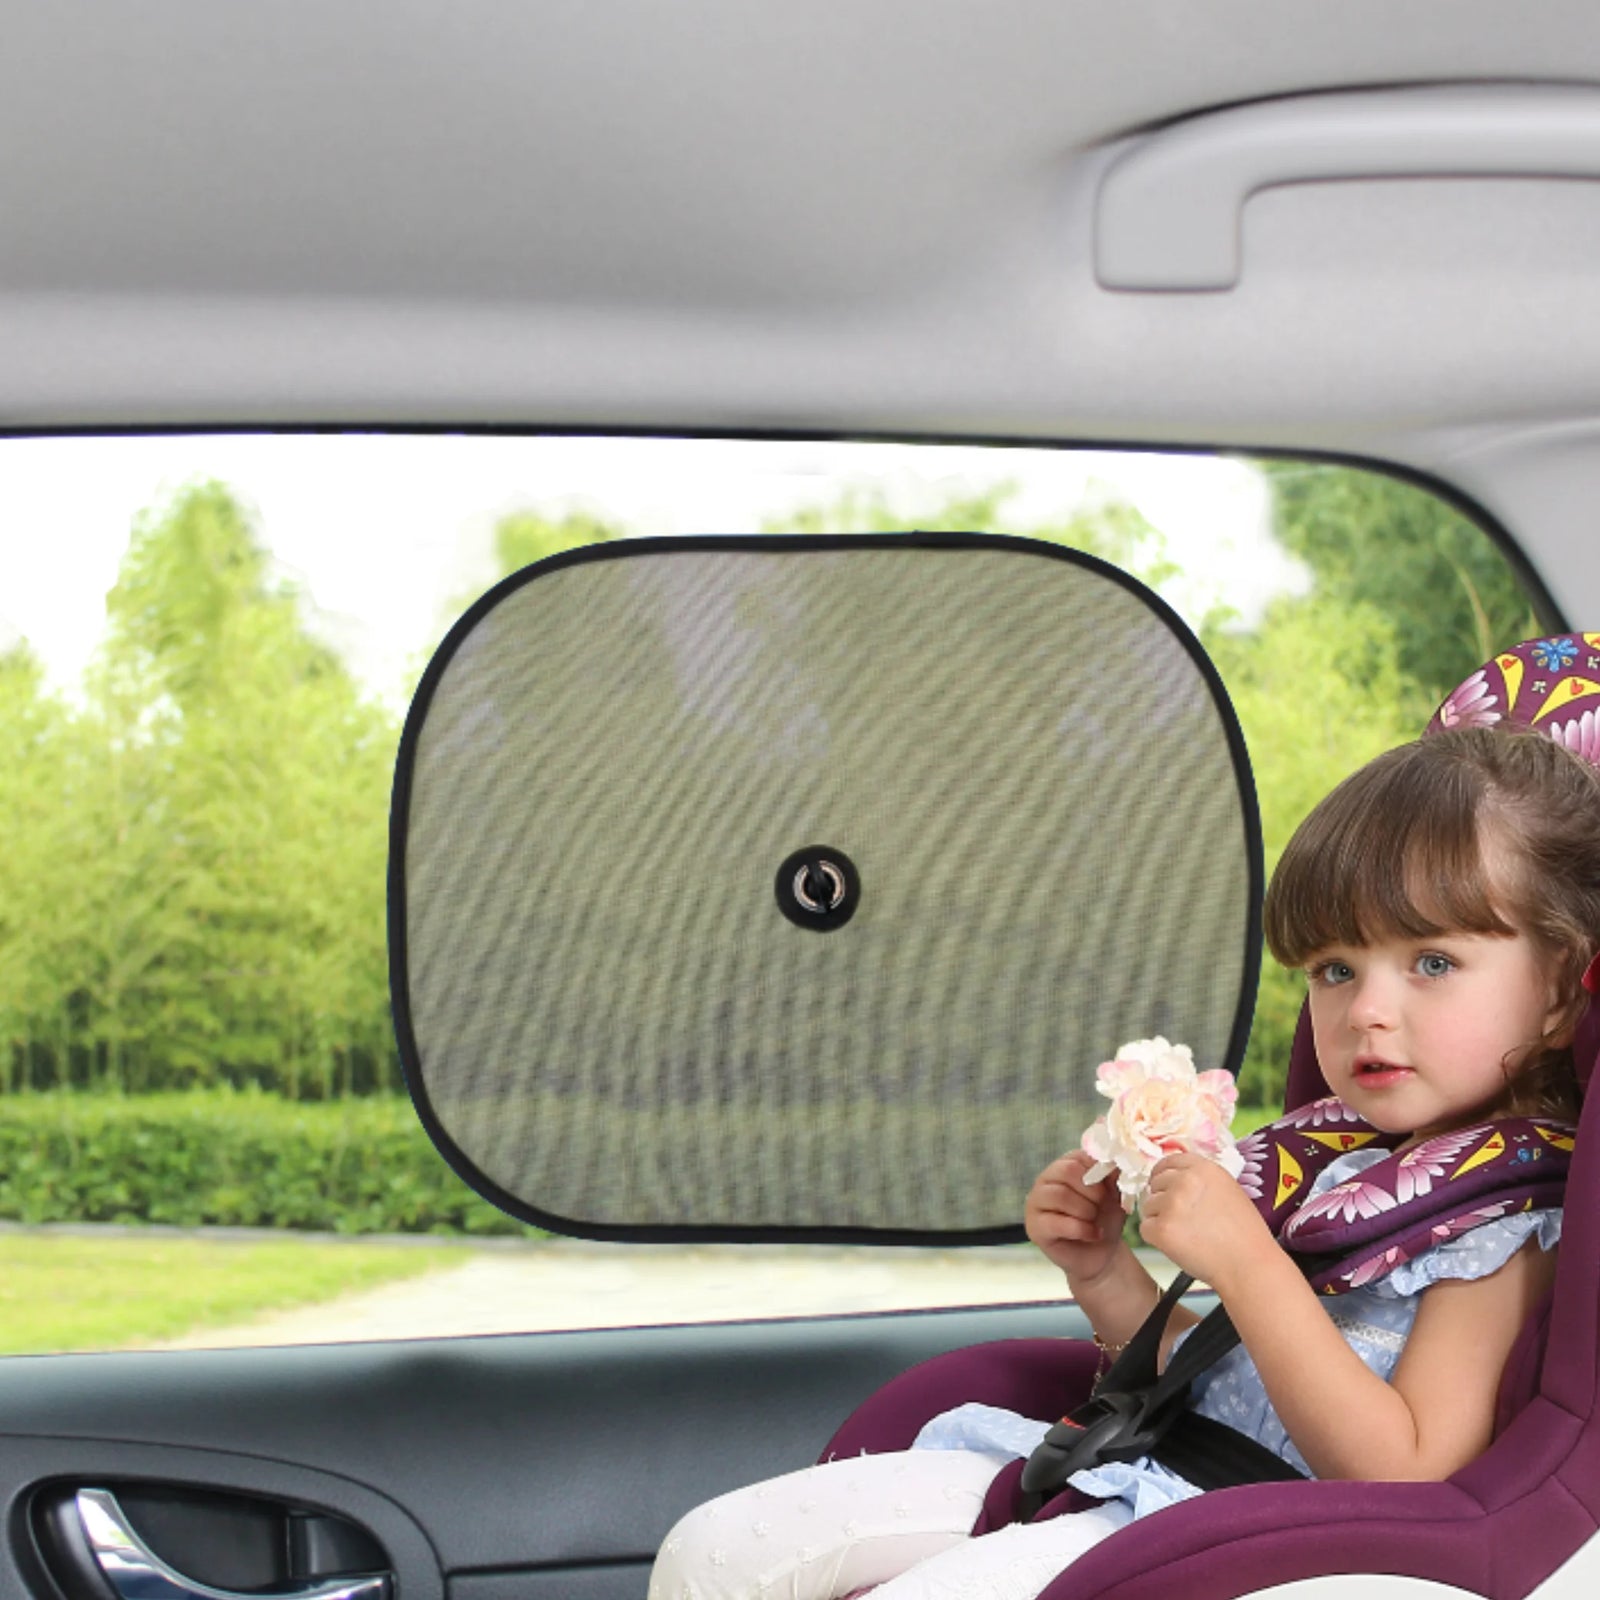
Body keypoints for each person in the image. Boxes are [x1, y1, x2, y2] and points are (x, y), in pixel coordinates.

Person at [650, 725, 1599, 1600]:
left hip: (1235, 1534)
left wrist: (1249, 1262)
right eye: (1334, 970)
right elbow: (1233, 1375)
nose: (1366, 1012)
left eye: (1432, 962)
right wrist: (1106, 1272)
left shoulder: (1508, 1224)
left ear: (1560, 989)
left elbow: (1405, 1469)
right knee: (712, 1549)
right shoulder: (1352, 1167)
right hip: (1135, 1464)